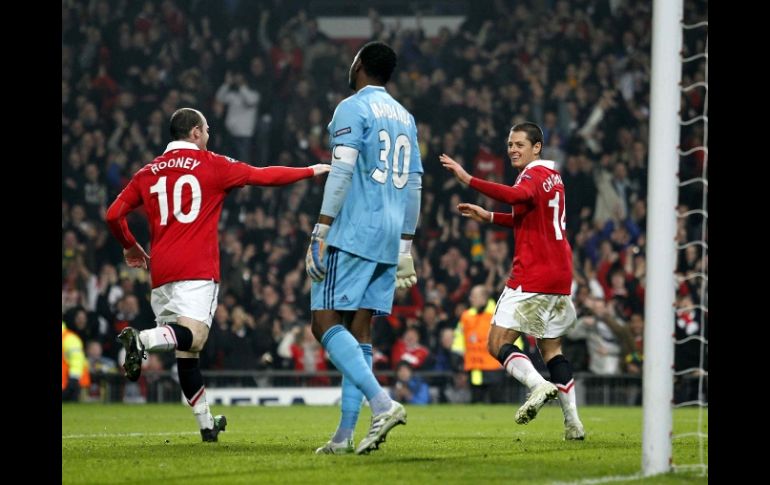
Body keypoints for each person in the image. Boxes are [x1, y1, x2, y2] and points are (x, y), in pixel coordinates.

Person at [106, 107, 330, 442]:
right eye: (206, 130)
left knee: (187, 353)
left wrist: (130, 246)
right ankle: (144, 339)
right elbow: (263, 175)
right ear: (195, 132)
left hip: (162, 271)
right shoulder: (212, 164)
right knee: (193, 337)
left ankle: (207, 425)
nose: (208, 135)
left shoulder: (147, 172)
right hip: (196, 268)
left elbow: (113, 215)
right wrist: (311, 170)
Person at [305, 41, 423, 455]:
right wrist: (406, 244)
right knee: (360, 329)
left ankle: (383, 403)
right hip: (390, 237)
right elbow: (414, 184)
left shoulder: (352, 107)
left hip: (355, 229)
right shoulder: (405, 117)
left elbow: (342, 167)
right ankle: (344, 435)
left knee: (323, 323)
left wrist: (321, 228)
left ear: (359, 65)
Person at [439, 122, 585, 440]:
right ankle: (573, 422)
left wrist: (468, 179)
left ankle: (537, 386)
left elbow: (517, 195)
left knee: (496, 342)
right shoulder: (552, 177)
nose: (513, 150)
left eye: (520, 144)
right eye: (509, 145)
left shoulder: (532, 175)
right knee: (551, 350)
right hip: (560, 274)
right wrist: (491, 217)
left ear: (537, 147)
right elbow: (530, 217)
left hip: (533, 273)